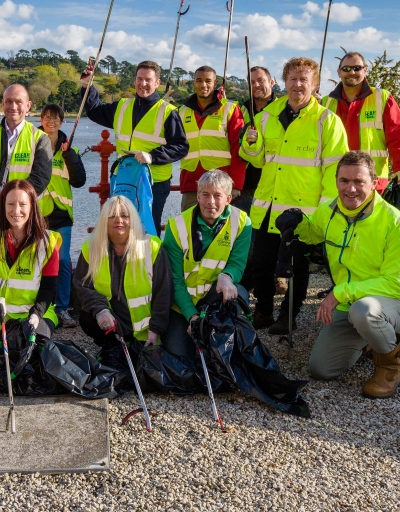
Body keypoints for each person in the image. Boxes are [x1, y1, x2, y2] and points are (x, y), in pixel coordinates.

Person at [277, 151, 400, 398]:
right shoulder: (328, 211)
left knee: (364, 312)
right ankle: (371, 336)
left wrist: (339, 292)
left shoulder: (396, 224)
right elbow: (312, 233)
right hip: (351, 304)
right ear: (335, 181)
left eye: (359, 182)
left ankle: (390, 366)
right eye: (344, 181)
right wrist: (296, 223)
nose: (350, 189)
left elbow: (396, 282)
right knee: (321, 369)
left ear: (375, 183)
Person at [240, 57, 349, 334]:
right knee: (261, 265)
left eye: (304, 80)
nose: (297, 85)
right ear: (284, 82)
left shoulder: (328, 121)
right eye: (293, 79)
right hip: (267, 207)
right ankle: (263, 311)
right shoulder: (266, 116)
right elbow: (256, 160)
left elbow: (334, 171)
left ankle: (287, 317)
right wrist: (250, 142)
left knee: (297, 268)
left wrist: (323, 213)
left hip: (302, 212)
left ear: (315, 85)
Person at [80, 60, 188, 231]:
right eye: (139, 79)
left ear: (157, 83)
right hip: (123, 179)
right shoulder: (123, 106)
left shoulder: (167, 112)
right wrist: (87, 86)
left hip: (154, 182)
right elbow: (95, 111)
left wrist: (152, 156)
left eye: (148, 80)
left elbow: (181, 146)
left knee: (146, 233)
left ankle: (150, 259)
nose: (142, 84)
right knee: (120, 230)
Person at [162, 169, 252, 357]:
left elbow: (237, 263)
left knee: (238, 294)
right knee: (179, 354)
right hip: (183, 303)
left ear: (228, 199)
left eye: (217, 196)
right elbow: (175, 280)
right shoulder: (177, 226)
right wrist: (192, 317)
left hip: (215, 296)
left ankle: (221, 333)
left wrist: (226, 276)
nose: (211, 202)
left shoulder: (242, 222)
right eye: (205, 195)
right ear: (197, 196)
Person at [74, 195, 171, 352]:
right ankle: (110, 347)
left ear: (132, 219)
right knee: (87, 318)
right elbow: (83, 286)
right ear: (104, 221)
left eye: (125, 216)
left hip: (146, 329)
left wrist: (156, 329)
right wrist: (101, 310)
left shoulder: (151, 247)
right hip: (112, 323)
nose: (119, 221)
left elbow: (164, 291)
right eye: (112, 216)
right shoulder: (90, 248)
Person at [0, 179, 61, 346]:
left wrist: (35, 315)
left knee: (33, 356)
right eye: (10, 204)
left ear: (32, 207)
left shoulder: (48, 242)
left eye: (23, 204)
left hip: (35, 314)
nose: (16, 210)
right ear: (2, 206)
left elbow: (48, 288)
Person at [321, 52, 400, 192]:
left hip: (372, 183)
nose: (351, 72)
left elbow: (398, 136)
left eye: (357, 68)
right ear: (339, 72)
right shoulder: (325, 103)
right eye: (346, 69)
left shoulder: (382, 98)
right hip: (335, 183)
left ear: (365, 70)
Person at [0, 84, 53, 227]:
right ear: (2, 103)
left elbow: (41, 177)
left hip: (23, 216)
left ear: (28, 105)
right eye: (9, 101)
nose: (13, 106)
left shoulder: (40, 138)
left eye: (19, 102)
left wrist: (9, 202)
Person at [39, 103, 87, 328]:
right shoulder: (32, 146)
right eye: (47, 118)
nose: (51, 122)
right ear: (41, 120)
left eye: (55, 119)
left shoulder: (69, 150)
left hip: (62, 214)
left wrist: (70, 157)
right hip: (37, 214)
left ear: (61, 122)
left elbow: (79, 181)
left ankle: (63, 308)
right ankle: (41, 307)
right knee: (38, 260)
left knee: (64, 260)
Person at [178, 66, 246, 211]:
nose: (203, 85)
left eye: (208, 81)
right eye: (199, 81)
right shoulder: (181, 111)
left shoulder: (230, 109)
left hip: (220, 185)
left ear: (215, 84)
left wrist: (235, 185)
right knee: (187, 229)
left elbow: (238, 149)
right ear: (193, 83)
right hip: (191, 184)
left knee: (222, 231)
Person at [236, 66, 279, 214]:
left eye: (261, 80)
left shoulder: (284, 110)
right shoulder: (240, 110)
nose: (256, 85)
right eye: (252, 82)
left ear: (272, 82)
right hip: (245, 185)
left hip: (273, 185)